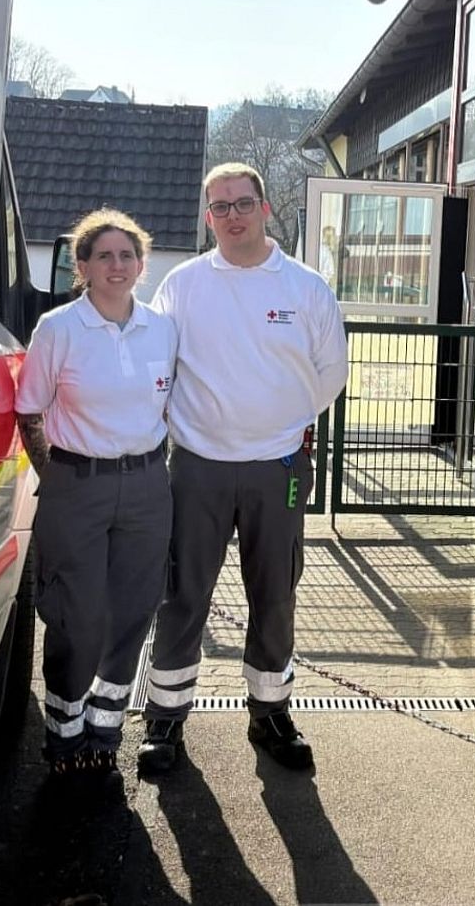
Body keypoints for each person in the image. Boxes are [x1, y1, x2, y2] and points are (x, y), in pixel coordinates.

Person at [137, 163, 349, 775]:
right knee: (181, 594)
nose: (233, 216)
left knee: (275, 593)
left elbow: (329, 372)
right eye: (220, 207)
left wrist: (278, 426)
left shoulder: (306, 288)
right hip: (196, 466)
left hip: (276, 466)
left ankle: (271, 713)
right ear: (208, 218)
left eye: (243, 204)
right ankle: (165, 720)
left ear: (266, 209)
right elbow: (158, 361)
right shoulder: (182, 284)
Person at [15, 208, 177, 787]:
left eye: (127, 255)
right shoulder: (59, 328)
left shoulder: (162, 328)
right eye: (103, 255)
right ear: (81, 265)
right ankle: (63, 732)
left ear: (141, 263)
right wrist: (55, 476)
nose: (117, 265)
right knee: (76, 617)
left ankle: (105, 730)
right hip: (75, 484)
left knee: (132, 612)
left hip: (146, 487)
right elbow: (28, 408)